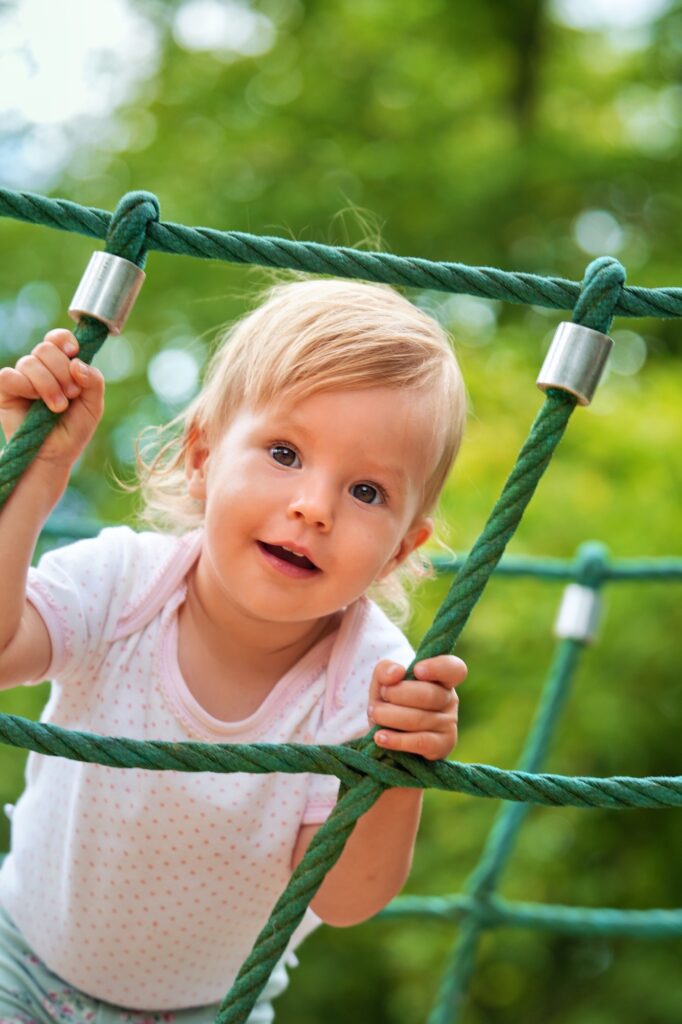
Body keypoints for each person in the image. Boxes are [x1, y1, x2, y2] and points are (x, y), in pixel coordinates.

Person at [0, 278, 468, 1023]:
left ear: (399, 551)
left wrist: (401, 767)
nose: (313, 506)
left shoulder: (371, 681)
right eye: (285, 452)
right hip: (17, 963)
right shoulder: (124, 584)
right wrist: (35, 478)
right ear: (203, 457)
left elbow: (345, 899)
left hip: (213, 1009)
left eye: (367, 493)